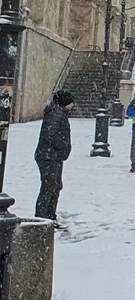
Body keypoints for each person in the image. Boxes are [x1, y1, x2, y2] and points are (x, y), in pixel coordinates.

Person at [34, 90, 74, 225]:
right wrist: (63, 146)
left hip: (53, 156)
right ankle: (42, 217)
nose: (72, 105)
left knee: (55, 186)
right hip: (49, 156)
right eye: (71, 102)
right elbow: (50, 133)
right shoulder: (57, 113)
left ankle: (49, 216)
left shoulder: (58, 113)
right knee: (49, 186)